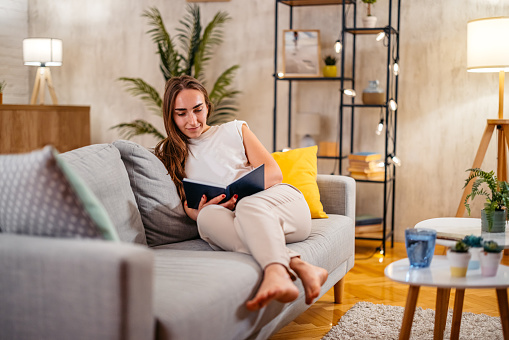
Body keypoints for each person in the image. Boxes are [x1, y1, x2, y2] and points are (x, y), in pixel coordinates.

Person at [155, 75, 328, 311]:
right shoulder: (172, 153)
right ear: (170, 115)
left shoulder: (236, 129)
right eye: (181, 113)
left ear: (207, 106)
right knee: (206, 219)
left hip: (282, 206)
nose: (192, 120)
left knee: (248, 207)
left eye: (198, 109)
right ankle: (301, 267)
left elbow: (274, 174)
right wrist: (199, 212)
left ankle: (276, 271)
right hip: (241, 223)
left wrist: (240, 198)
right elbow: (189, 204)